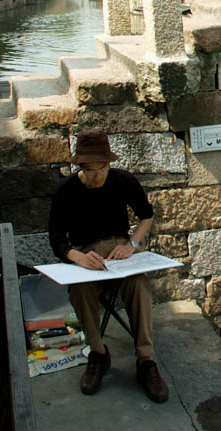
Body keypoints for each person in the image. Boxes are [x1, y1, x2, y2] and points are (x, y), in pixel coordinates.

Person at [47, 129, 168, 402]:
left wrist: (131, 246)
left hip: (119, 252)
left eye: (101, 168)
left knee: (139, 285)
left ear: (109, 163)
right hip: (85, 254)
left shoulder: (123, 181)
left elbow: (146, 216)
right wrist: (77, 257)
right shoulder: (66, 190)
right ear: (80, 167)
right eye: (89, 170)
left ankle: (146, 361)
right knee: (79, 290)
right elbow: (56, 238)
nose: (96, 176)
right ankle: (98, 353)